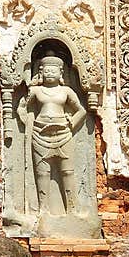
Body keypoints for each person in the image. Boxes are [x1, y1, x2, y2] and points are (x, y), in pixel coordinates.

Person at [18, 51, 86, 216]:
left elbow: (81, 110)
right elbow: (22, 107)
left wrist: (72, 122)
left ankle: (72, 209)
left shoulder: (66, 91)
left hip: (63, 132)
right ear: (40, 72)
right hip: (40, 133)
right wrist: (24, 117)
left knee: (68, 172)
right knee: (43, 173)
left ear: (60, 73)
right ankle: (43, 209)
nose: (49, 74)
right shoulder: (35, 91)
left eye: (53, 71)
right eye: (46, 71)